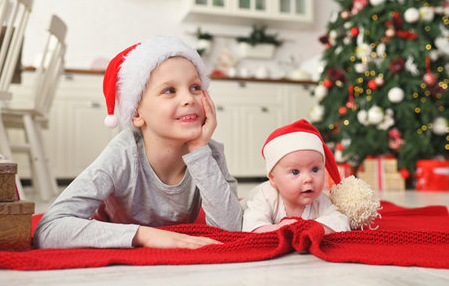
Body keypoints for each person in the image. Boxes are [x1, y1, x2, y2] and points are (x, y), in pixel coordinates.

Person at [34, 36, 242, 249]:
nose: (189, 99)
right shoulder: (122, 155)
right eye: (169, 90)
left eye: (196, 87)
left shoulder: (208, 152)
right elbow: (49, 228)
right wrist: (145, 235)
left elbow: (231, 230)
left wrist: (199, 151)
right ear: (136, 114)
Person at [242, 119, 350, 234]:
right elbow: (251, 226)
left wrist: (315, 228)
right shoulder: (265, 196)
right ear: (273, 179)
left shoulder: (320, 200)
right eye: (295, 172)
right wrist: (278, 228)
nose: (308, 179)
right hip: (245, 204)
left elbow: (341, 222)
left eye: (314, 169)